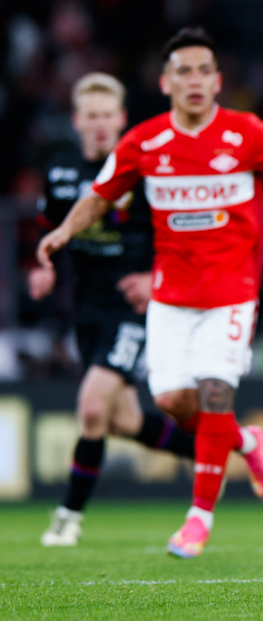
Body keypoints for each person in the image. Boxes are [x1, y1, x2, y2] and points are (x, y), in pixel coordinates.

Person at [36, 28, 263, 559]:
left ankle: (198, 519)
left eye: (203, 70)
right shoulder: (144, 142)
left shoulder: (247, 133)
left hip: (231, 294)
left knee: (214, 393)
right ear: (166, 83)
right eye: (182, 71)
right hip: (170, 298)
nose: (194, 80)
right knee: (172, 402)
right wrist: (63, 232)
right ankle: (246, 441)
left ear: (217, 81)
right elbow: (100, 195)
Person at [32, 73, 196, 547]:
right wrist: (44, 267)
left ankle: (68, 517)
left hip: (132, 309)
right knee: (122, 421)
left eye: (108, 115)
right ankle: (212, 450)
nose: (100, 124)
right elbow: (50, 228)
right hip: (86, 309)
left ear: (122, 119)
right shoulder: (61, 171)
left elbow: (180, 233)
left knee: (90, 408)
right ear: (77, 120)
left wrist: (153, 277)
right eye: (92, 116)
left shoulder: (144, 172)